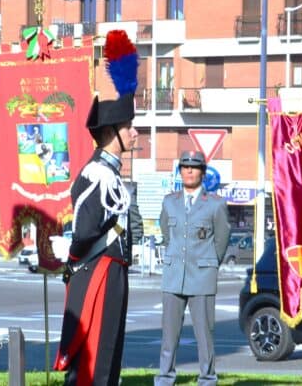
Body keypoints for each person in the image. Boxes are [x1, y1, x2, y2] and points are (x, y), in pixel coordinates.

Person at [55, 30, 141, 386]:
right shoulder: (97, 174)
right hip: (98, 273)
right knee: (95, 362)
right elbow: (86, 230)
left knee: (109, 359)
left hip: (111, 271)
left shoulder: (110, 173)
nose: (134, 133)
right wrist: (74, 257)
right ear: (111, 133)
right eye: (129, 127)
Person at [155, 150, 230, 386]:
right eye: (185, 167)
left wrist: (210, 262)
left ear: (203, 172)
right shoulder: (169, 201)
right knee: (169, 335)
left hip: (202, 276)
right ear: (180, 171)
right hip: (173, 276)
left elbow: (222, 239)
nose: (189, 170)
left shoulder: (216, 204)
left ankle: (207, 378)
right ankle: (165, 378)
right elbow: (167, 233)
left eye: (194, 167)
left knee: (205, 335)